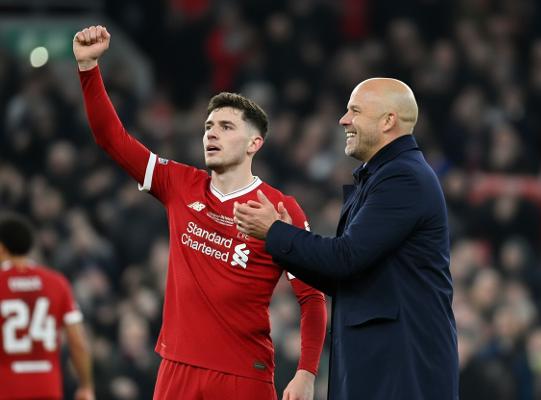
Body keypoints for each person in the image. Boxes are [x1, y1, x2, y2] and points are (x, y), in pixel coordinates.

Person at [73, 25, 327, 400]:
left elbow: (311, 297)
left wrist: (306, 372)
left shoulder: (280, 208)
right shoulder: (179, 183)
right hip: (177, 367)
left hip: (244, 374)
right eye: (208, 127)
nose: (211, 134)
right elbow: (111, 138)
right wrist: (88, 69)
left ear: (254, 143)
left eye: (226, 127)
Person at [234, 78, 459, 399]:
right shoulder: (383, 176)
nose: (343, 120)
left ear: (388, 121)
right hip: (382, 369)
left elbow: (345, 258)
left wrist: (275, 231)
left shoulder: (403, 177)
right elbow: (344, 274)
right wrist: (283, 239)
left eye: (355, 111)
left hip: (401, 371)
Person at [0, 212, 94, 400]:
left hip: (7, 388)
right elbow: (77, 342)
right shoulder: (57, 283)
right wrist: (86, 386)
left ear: (2, 248)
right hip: (47, 387)